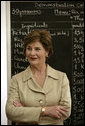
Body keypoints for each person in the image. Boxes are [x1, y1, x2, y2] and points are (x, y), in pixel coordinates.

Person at [6, 29, 71, 125]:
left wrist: (25, 112)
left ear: (47, 52)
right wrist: (45, 111)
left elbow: (65, 112)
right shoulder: (16, 79)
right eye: (29, 48)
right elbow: (11, 112)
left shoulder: (61, 78)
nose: (32, 53)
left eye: (37, 49)